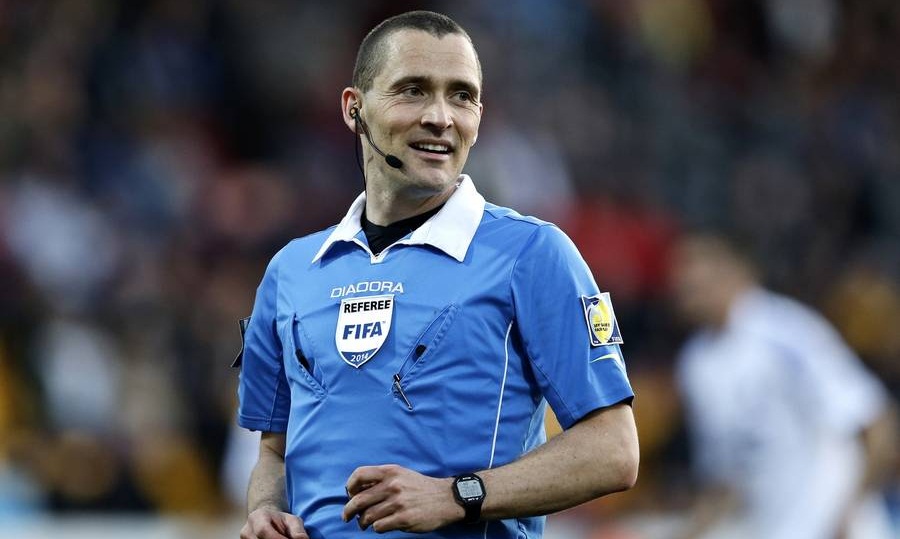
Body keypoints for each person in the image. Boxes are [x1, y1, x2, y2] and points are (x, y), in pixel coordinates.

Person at [233, 10, 638, 539]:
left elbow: (613, 450)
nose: (441, 117)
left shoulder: (533, 254)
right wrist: (266, 511)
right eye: (414, 90)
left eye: (462, 96)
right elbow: (274, 451)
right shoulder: (290, 272)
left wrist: (456, 495)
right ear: (355, 109)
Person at [670, 231, 899, 539]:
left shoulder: (786, 333)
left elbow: (877, 422)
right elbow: (727, 479)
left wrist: (851, 509)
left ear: (735, 268)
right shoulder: (695, 364)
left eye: (698, 263)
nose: (686, 278)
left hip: (837, 527)